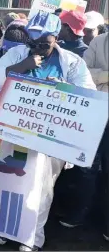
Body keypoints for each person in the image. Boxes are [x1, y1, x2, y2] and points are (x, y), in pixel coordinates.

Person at [0, 10, 96, 251]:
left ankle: (32, 237)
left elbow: (88, 94)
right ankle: (5, 228)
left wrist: (63, 90)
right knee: (10, 182)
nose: (37, 47)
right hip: (15, 131)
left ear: (56, 39)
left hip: (51, 139)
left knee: (42, 189)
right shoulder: (17, 54)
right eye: (33, 42)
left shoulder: (72, 62)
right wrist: (22, 66)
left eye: (44, 44)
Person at [57, 32, 108, 233]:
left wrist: (100, 76)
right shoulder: (99, 41)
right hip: (96, 113)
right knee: (87, 167)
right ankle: (79, 214)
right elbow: (87, 74)